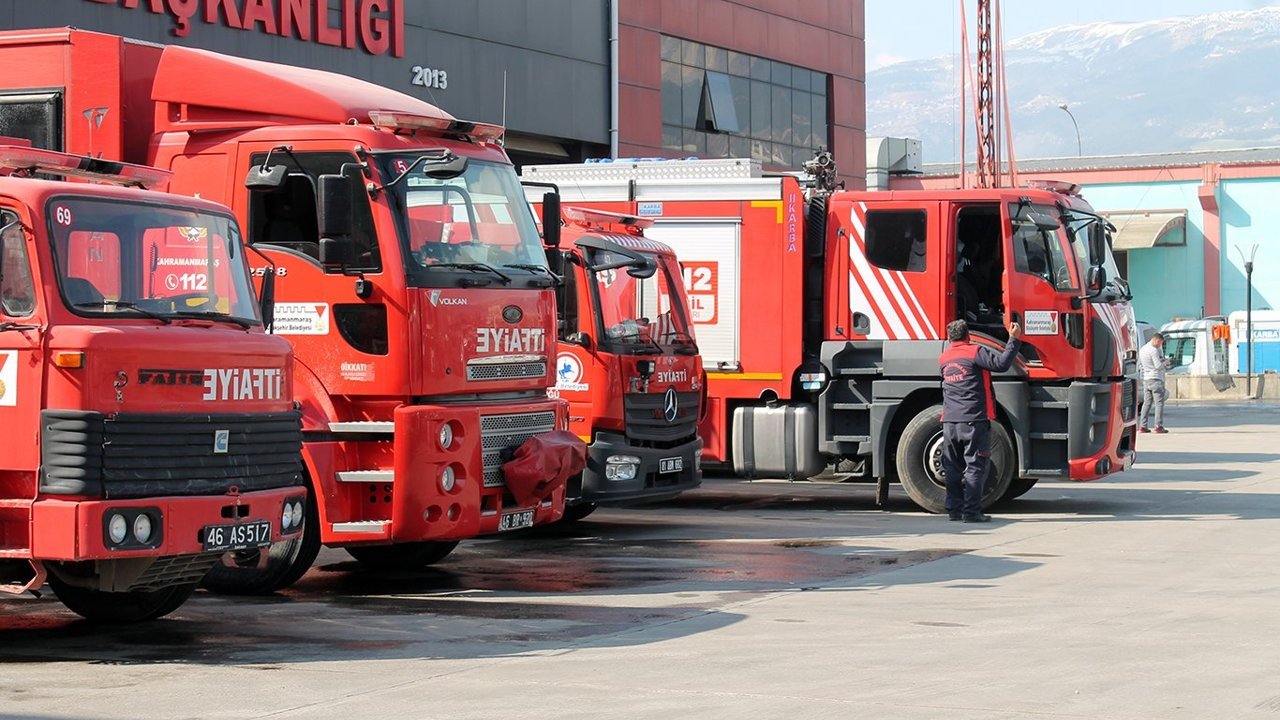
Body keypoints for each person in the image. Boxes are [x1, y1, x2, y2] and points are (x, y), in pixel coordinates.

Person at [938, 319, 1022, 523]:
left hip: (949, 421)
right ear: (968, 335)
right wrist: (1013, 339)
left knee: (952, 467)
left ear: (949, 339)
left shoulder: (944, 357)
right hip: (973, 420)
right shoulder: (975, 352)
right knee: (975, 466)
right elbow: (1001, 364)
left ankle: (954, 511)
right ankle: (971, 513)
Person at [1138, 332, 1170, 433]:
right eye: (1160, 343)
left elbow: (1140, 365)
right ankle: (1158, 426)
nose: (1160, 345)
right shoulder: (1154, 350)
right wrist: (1165, 363)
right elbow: (1158, 366)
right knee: (1159, 403)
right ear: (1156, 340)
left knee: (1146, 403)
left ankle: (1142, 426)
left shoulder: (1143, 349)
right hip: (1156, 378)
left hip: (1146, 379)